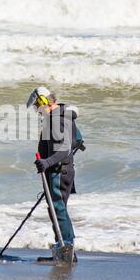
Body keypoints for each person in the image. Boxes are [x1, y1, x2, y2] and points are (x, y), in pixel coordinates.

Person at [27, 86, 83, 258]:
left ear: (43, 101)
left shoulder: (55, 119)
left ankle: (66, 248)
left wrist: (46, 162)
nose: (37, 111)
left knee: (57, 209)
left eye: (37, 106)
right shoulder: (63, 114)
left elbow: (64, 150)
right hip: (63, 169)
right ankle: (64, 247)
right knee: (58, 209)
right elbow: (78, 140)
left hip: (59, 170)